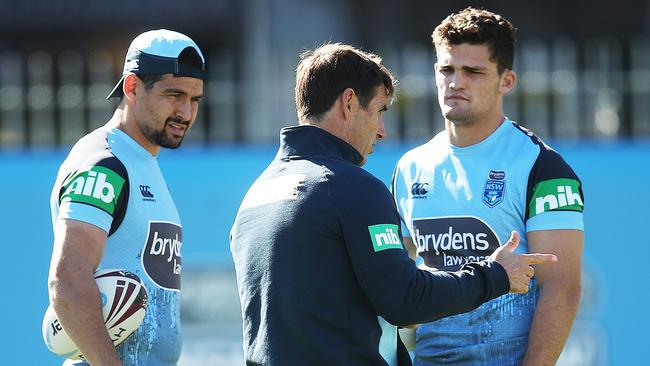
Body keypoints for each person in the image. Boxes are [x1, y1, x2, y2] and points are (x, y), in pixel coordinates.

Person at [230, 42, 557, 366]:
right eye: (379, 111)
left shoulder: (257, 193)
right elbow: (405, 300)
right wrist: (496, 274)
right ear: (349, 103)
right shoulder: (350, 187)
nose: (382, 132)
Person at [392, 7, 585, 365]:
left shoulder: (542, 167)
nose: (456, 82)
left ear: (506, 81)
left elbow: (562, 288)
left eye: (473, 72)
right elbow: (399, 283)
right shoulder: (410, 167)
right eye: (446, 69)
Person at [47, 29, 205, 366]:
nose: (186, 113)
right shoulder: (104, 163)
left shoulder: (142, 162)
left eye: (194, 99)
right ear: (132, 87)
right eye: (173, 94)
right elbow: (68, 281)